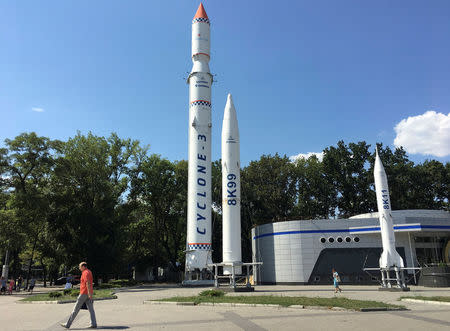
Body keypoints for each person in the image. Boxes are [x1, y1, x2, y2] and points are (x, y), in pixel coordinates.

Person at [61, 262, 97, 329]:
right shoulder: (89, 271)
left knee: (75, 309)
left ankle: (67, 324)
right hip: (88, 293)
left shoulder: (85, 272)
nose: (79, 268)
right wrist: (90, 294)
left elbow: (88, 283)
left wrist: (89, 293)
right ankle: (93, 324)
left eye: (80, 266)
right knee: (91, 309)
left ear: (83, 266)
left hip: (84, 293)